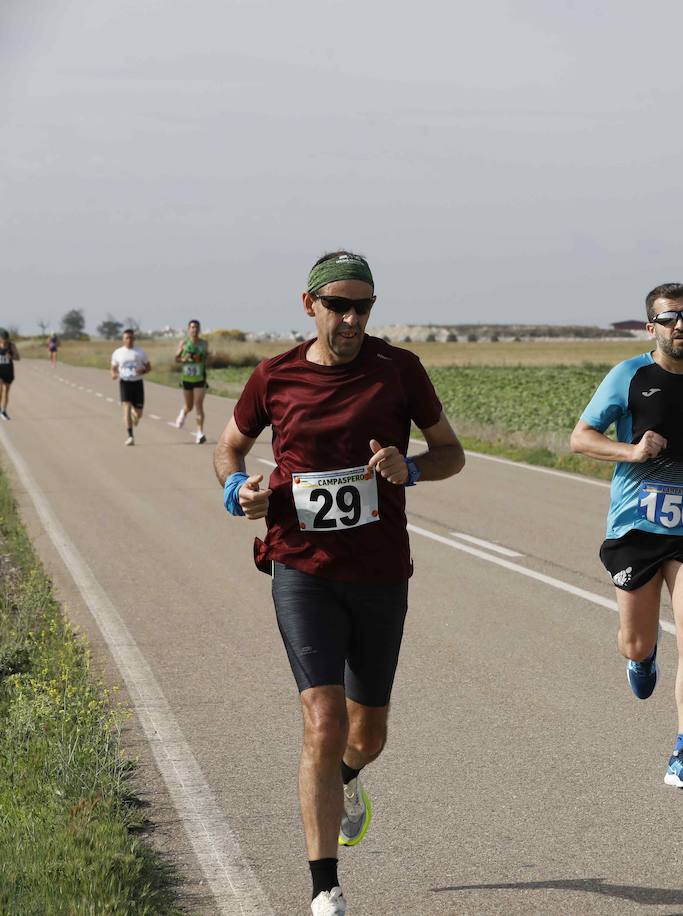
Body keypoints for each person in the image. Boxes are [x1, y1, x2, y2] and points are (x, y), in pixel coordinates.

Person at [213, 250, 464, 916]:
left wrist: (406, 468)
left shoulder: (399, 371)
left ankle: (347, 778)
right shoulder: (275, 376)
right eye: (339, 305)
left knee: (366, 735)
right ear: (310, 305)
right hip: (301, 568)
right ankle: (324, 885)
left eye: (364, 307)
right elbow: (229, 448)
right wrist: (238, 489)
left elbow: (451, 454)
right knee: (322, 721)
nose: (351, 318)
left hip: (380, 572)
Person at [570, 282, 683, 790]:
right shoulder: (629, 376)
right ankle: (643, 655)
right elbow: (580, 437)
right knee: (636, 640)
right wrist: (630, 452)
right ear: (652, 327)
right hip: (635, 527)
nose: (681, 325)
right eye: (670, 318)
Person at [110, 329, 151, 446]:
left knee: (139, 414)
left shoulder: (140, 352)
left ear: (134, 339)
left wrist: (142, 370)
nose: (129, 340)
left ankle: (135, 414)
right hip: (125, 383)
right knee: (126, 409)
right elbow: (113, 368)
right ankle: (130, 436)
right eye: (127, 338)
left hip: (137, 383)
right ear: (123, 340)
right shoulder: (117, 353)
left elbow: (148, 367)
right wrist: (113, 374)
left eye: (131, 338)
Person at [171, 319, 209, 443]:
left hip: (199, 378)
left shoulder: (204, 343)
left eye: (197, 327)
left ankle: (199, 433)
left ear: (199, 329)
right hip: (187, 379)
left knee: (198, 405)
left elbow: (206, 356)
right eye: (192, 327)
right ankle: (183, 413)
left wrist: (204, 357)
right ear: (188, 329)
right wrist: (184, 357)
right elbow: (177, 358)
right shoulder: (184, 343)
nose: (194, 329)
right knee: (189, 405)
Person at [0, 331, 20, 419]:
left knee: (6, 391)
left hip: (8, 371)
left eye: (6, 341)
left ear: (8, 339)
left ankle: (4, 411)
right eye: (3, 341)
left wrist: (11, 357)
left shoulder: (12, 346)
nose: (4, 342)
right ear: (0, 339)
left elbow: (18, 358)